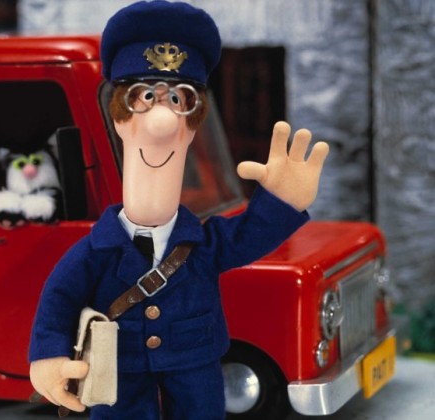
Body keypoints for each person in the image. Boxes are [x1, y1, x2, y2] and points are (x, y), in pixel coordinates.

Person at [28, 1, 329, 419]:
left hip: (195, 357)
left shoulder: (203, 243)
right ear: (119, 118)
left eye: (178, 99)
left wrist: (282, 201)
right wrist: (48, 356)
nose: (163, 119)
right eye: (144, 97)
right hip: (120, 364)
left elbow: (248, 236)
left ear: (192, 124)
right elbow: (59, 297)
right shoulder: (97, 251)